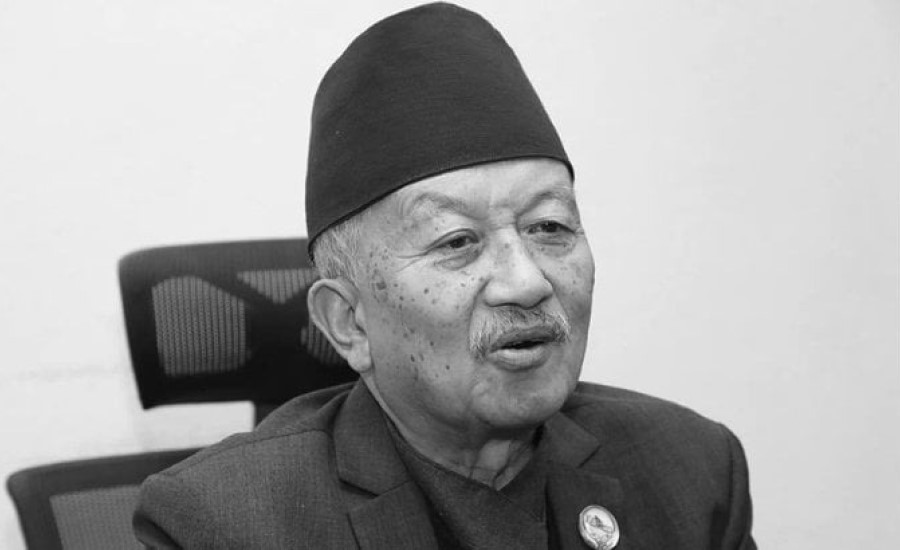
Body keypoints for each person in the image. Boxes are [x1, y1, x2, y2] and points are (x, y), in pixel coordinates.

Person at [133, 3, 755, 549]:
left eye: (549, 227)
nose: (527, 282)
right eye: (458, 242)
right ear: (349, 322)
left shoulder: (691, 470)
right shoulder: (223, 526)